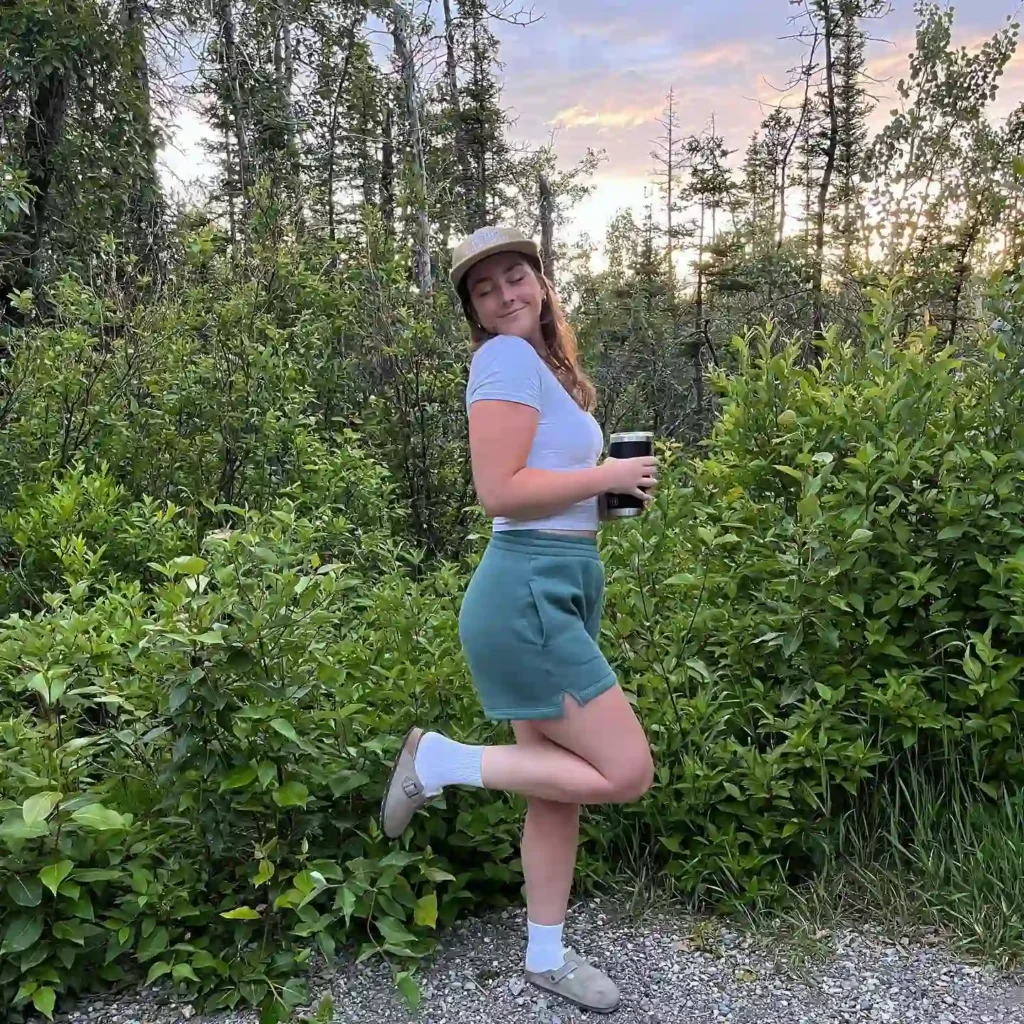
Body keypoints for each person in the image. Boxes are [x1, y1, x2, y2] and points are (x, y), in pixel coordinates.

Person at [379, 226, 658, 1015]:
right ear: (473, 308)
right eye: (485, 288)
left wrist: (603, 496)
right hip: (528, 592)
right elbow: (498, 491)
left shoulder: (546, 370)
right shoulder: (500, 359)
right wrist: (607, 471)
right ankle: (437, 762)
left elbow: (550, 483)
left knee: (557, 791)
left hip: (559, 581)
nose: (506, 295)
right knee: (626, 771)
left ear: (541, 281)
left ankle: (546, 955)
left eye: (516, 277)